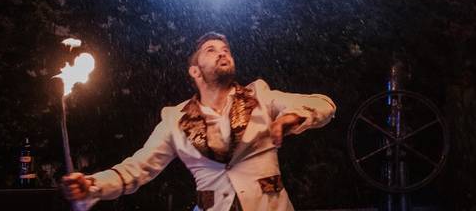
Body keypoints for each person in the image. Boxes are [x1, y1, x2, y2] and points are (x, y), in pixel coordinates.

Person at [61, 32, 335, 210]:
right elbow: (137, 169)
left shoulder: (259, 96)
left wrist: (292, 118)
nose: (222, 53)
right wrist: (92, 185)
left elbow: (324, 105)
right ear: (195, 71)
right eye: (211, 50)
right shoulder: (175, 119)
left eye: (226, 49)